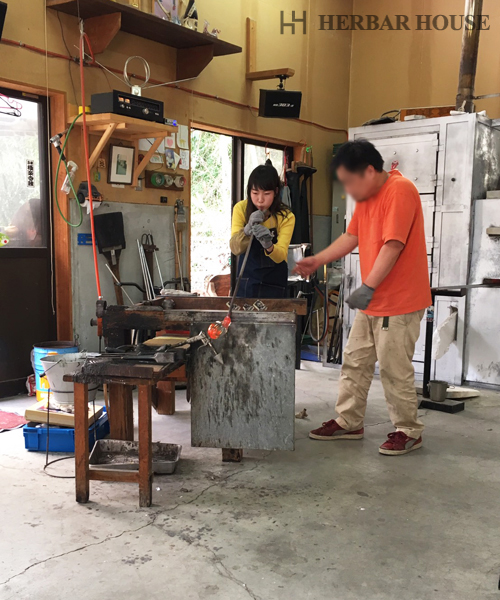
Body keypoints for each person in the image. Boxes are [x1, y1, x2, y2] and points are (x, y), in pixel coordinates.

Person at [294, 139, 431, 456]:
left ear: (369, 171)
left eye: (350, 181)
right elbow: (351, 236)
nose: (348, 189)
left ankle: (409, 430)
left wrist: (367, 286)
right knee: (355, 362)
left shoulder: (400, 190)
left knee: (395, 370)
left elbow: (393, 245)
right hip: (374, 301)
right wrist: (318, 260)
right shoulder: (366, 196)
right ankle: (349, 421)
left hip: (399, 302)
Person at [230, 161, 295, 298]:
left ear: (276, 192)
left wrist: (269, 245)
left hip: (275, 283)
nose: (260, 200)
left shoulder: (286, 216)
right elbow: (235, 248)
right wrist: (247, 230)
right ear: (249, 191)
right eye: (255, 193)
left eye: (266, 193)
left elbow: (281, 255)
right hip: (247, 282)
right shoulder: (240, 209)